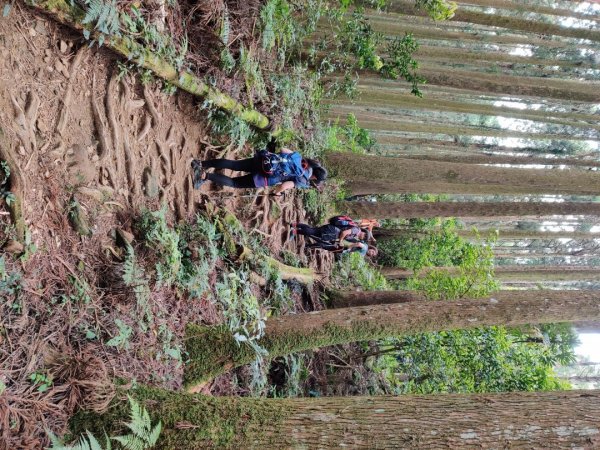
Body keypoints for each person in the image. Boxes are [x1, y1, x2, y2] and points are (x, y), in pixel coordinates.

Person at [191, 145, 327, 197]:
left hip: (263, 161)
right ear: (314, 177)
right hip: (264, 177)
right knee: (234, 183)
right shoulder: (302, 179)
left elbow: (283, 150)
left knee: (234, 164)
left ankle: (200, 163)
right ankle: (204, 175)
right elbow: (284, 185)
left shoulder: (302, 160)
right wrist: (277, 193)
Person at [293, 223, 378, 258]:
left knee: (315, 234)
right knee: (316, 236)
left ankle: (295, 227)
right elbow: (359, 244)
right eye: (373, 251)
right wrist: (348, 247)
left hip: (334, 235)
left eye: (373, 254)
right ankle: (295, 230)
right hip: (334, 233)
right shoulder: (364, 246)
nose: (371, 253)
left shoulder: (356, 234)